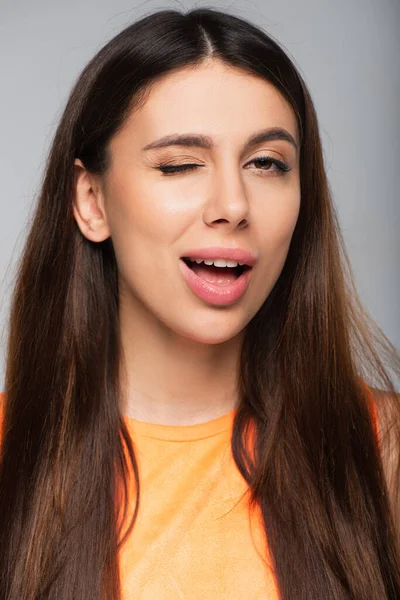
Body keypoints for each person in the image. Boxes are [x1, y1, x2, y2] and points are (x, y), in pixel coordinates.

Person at [0, 7, 399, 599]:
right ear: (92, 202)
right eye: (180, 164)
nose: (233, 204)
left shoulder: (383, 448)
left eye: (267, 163)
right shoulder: (10, 451)